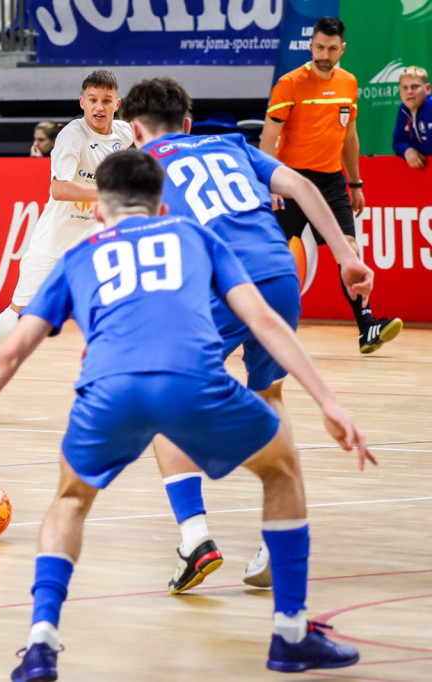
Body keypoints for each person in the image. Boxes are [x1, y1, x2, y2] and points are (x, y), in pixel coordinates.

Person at [0, 150, 374, 678]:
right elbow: (263, 320)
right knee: (281, 468)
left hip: (109, 393)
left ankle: (41, 642)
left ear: (99, 211)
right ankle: (290, 633)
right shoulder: (196, 237)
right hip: (192, 383)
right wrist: (328, 400)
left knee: (70, 500)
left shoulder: (78, 258)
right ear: (163, 204)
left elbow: (8, 355)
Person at [122, 77, 373, 593]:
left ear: (134, 130)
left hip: (221, 280)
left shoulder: (142, 167)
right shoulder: (233, 143)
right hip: (279, 275)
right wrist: (347, 257)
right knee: (269, 395)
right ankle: (272, 538)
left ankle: (195, 538)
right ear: (188, 124)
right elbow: (304, 186)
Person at [0, 70, 134, 405]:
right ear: (82, 102)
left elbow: (152, 145)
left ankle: (116, 387)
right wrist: (111, 193)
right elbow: (60, 189)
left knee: (116, 305)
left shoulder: (124, 133)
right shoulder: (71, 137)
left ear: (116, 105)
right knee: (18, 316)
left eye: (106, 101)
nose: (99, 106)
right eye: (92, 99)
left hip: (94, 240)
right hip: (54, 241)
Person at [260, 16, 402, 355]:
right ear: (311, 45)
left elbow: (349, 136)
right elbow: (269, 139)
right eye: (320, 47)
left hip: (331, 182)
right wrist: (271, 183)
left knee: (349, 250)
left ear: (343, 48)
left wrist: (355, 182)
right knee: (269, 257)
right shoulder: (289, 84)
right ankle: (250, 327)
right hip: (291, 181)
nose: (325, 54)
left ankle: (367, 327)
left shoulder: (349, 83)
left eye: (332, 48)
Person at [393, 65, 432, 169]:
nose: (409, 92)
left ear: (427, 88)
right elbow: (398, 142)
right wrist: (406, 150)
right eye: (405, 87)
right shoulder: (403, 109)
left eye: (414, 87)